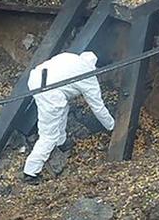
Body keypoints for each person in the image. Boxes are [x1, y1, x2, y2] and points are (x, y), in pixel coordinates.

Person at [23, 51, 115, 184]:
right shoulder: (89, 77)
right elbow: (98, 108)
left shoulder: (71, 56)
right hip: (50, 92)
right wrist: (112, 126)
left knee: (62, 108)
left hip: (36, 79)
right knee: (49, 135)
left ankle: (61, 142)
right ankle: (30, 172)